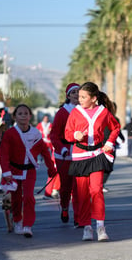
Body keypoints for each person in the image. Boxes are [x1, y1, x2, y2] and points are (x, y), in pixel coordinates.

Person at [64, 82, 121, 242]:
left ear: (94, 98)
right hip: (80, 156)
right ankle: (86, 227)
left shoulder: (103, 112)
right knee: (82, 194)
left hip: (97, 154)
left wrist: (109, 142)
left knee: (96, 190)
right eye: (79, 96)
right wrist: (74, 136)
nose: (79, 99)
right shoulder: (75, 112)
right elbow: (67, 133)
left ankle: (100, 226)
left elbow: (116, 127)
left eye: (83, 97)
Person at [0, 104, 57, 238]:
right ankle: (18, 221)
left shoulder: (36, 133)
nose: (23, 116)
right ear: (15, 117)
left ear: (30, 116)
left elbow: (44, 152)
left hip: (30, 171)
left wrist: (51, 168)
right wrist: (6, 172)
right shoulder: (10, 134)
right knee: (16, 198)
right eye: (20, 113)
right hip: (14, 171)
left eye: (26, 113)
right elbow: (4, 154)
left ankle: (27, 225)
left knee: (29, 197)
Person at [50, 83, 81, 228]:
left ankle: (78, 215)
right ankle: (64, 207)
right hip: (64, 154)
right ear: (68, 95)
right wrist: (62, 149)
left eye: (78, 92)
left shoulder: (84, 111)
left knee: (79, 186)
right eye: (73, 92)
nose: (76, 94)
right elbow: (54, 135)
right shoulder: (62, 113)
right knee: (66, 186)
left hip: (80, 152)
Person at [102, 102, 125, 192]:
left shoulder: (104, 118)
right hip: (108, 145)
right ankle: (101, 184)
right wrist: (122, 138)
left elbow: (117, 130)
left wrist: (122, 138)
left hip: (106, 144)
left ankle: (100, 184)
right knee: (108, 166)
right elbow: (117, 130)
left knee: (104, 166)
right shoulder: (113, 118)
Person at [37, 114, 60, 199]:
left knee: (60, 174)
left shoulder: (52, 126)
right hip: (56, 155)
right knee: (54, 173)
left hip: (59, 153)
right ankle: (49, 192)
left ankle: (55, 189)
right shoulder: (54, 129)